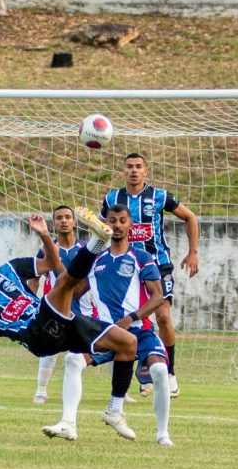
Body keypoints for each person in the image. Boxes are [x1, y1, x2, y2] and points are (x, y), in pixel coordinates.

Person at [0, 208, 140, 440]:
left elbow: (52, 262)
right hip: (35, 335)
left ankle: (114, 411)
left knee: (128, 343)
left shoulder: (9, 269)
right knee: (64, 284)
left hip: (59, 320)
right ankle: (97, 242)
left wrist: (44, 235)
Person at [43, 205, 173, 445]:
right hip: (105, 332)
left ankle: (162, 434)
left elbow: (158, 297)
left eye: (123, 220)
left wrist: (131, 318)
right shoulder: (96, 260)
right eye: (112, 220)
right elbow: (74, 289)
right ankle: (68, 423)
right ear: (106, 225)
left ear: (130, 225)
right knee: (72, 360)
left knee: (159, 371)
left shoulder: (141, 258)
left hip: (139, 330)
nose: (117, 225)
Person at [101, 153, 199, 398]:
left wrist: (193, 252)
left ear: (146, 171)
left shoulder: (159, 196)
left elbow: (190, 217)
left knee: (163, 315)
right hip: (126, 270)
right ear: (123, 171)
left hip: (158, 265)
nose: (134, 171)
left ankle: (170, 373)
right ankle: (143, 373)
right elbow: (105, 229)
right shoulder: (112, 198)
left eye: (138, 167)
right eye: (129, 167)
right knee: (129, 320)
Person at [30, 205, 86, 404]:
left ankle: (120, 391)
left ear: (75, 222)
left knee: (99, 345)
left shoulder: (85, 250)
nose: (64, 220)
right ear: (54, 223)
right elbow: (34, 277)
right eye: (59, 218)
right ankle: (41, 390)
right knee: (49, 346)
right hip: (54, 307)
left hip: (84, 305)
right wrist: (32, 298)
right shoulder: (46, 250)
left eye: (68, 217)